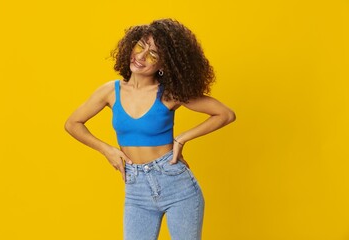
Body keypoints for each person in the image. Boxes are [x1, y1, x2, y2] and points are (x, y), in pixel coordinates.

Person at [64, 18, 236, 240]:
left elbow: (226, 114)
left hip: (176, 184)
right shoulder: (110, 91)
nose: (141, 57)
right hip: (136, 188)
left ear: (165, 65)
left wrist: (182, 139)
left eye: (153, 54)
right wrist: (107, 150)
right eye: (139, 47)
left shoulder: (168, 94)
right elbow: (72, 123)